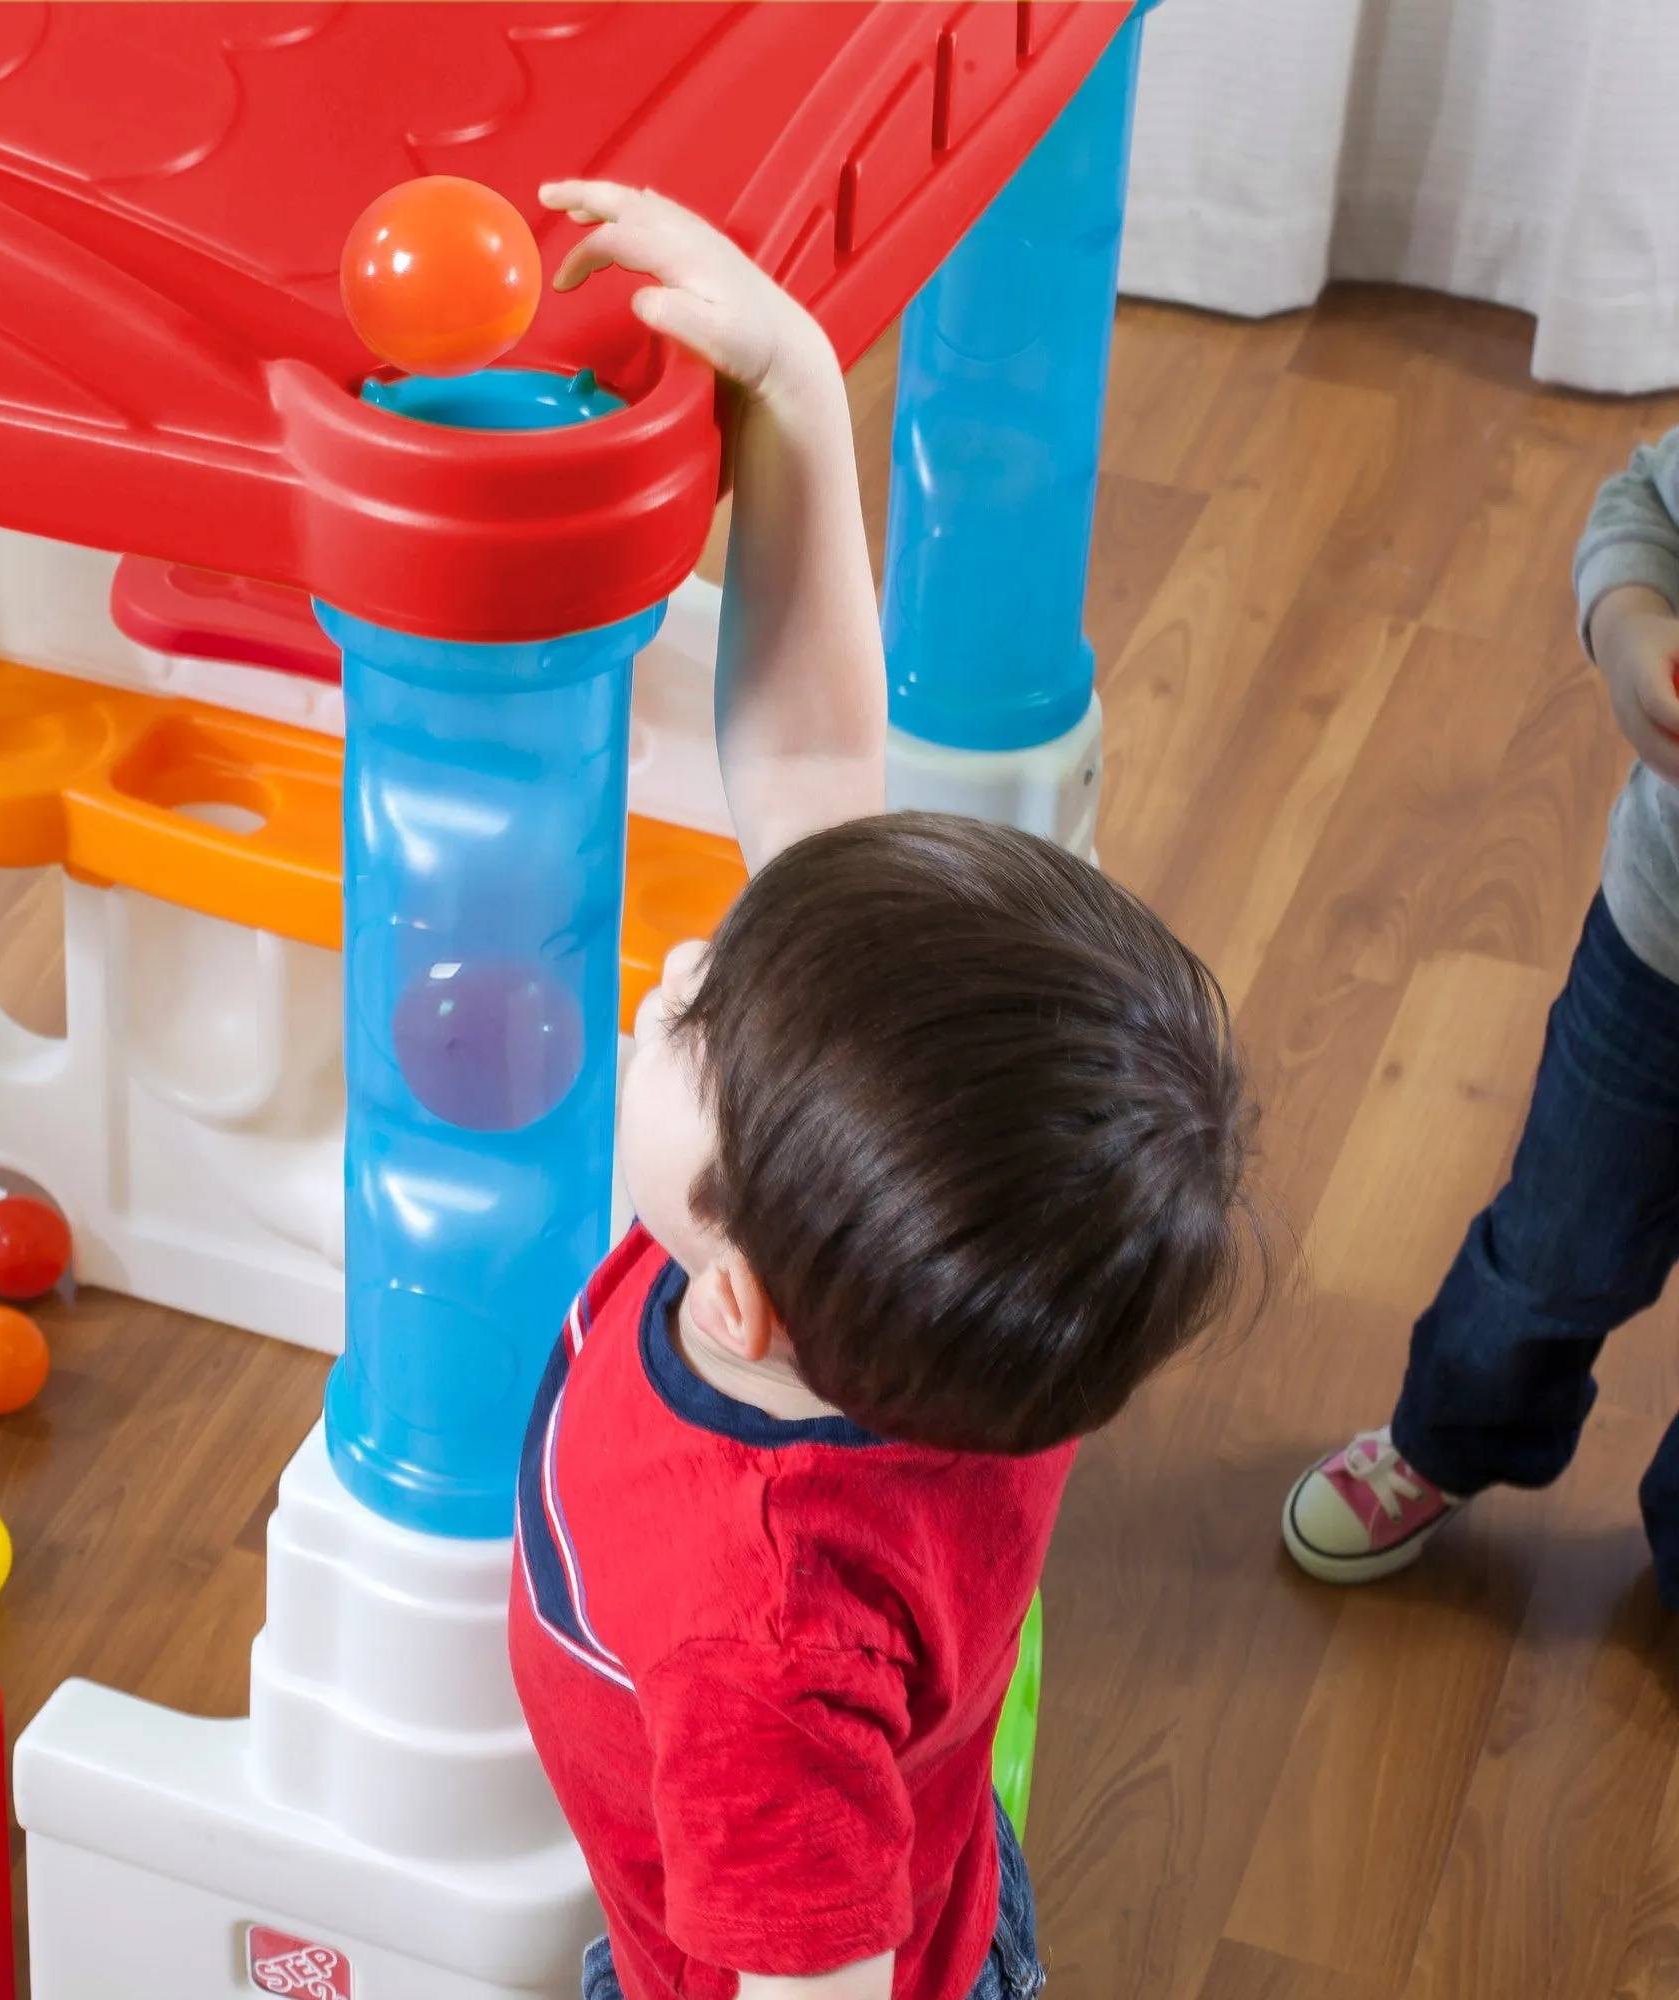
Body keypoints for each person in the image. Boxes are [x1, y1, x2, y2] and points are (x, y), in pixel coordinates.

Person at [511, 181, 1261, 2000]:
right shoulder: (945, 1259)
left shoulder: (765, 1639)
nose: (682, 971)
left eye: (693, 1027)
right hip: (901, 1833)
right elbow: (819, 766)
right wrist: (787, 386)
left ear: (739, 1293)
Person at [1283, 431, 1679, 1600]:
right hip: (1659, 950)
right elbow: (1639, 510)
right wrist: (1627, 629)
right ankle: (1447, 1437)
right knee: (1553, 1240)